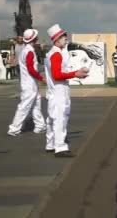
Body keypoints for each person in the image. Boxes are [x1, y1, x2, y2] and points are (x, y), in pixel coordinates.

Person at [44, 24, 89, 157]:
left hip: (54, 90)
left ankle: (50, 144)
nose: (65, 38)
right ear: (56, 40)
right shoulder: (56, 54)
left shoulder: (51, 53)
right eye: (63, 37)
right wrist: (76, 74)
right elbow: (57, 75)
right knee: (60, 119)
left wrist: (76, 72)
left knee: (52, 119)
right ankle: (60, 147)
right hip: (59, 90)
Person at [7, 29, 47, 137]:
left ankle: (40, 126)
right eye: (37, 37)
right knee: (24, 106)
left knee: (36, 104)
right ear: (34, 39)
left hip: (30, 82)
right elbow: (31, 69)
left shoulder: (26, 50)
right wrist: (42, 78)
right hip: (29, 83)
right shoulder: (29, 51)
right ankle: (14, 128)